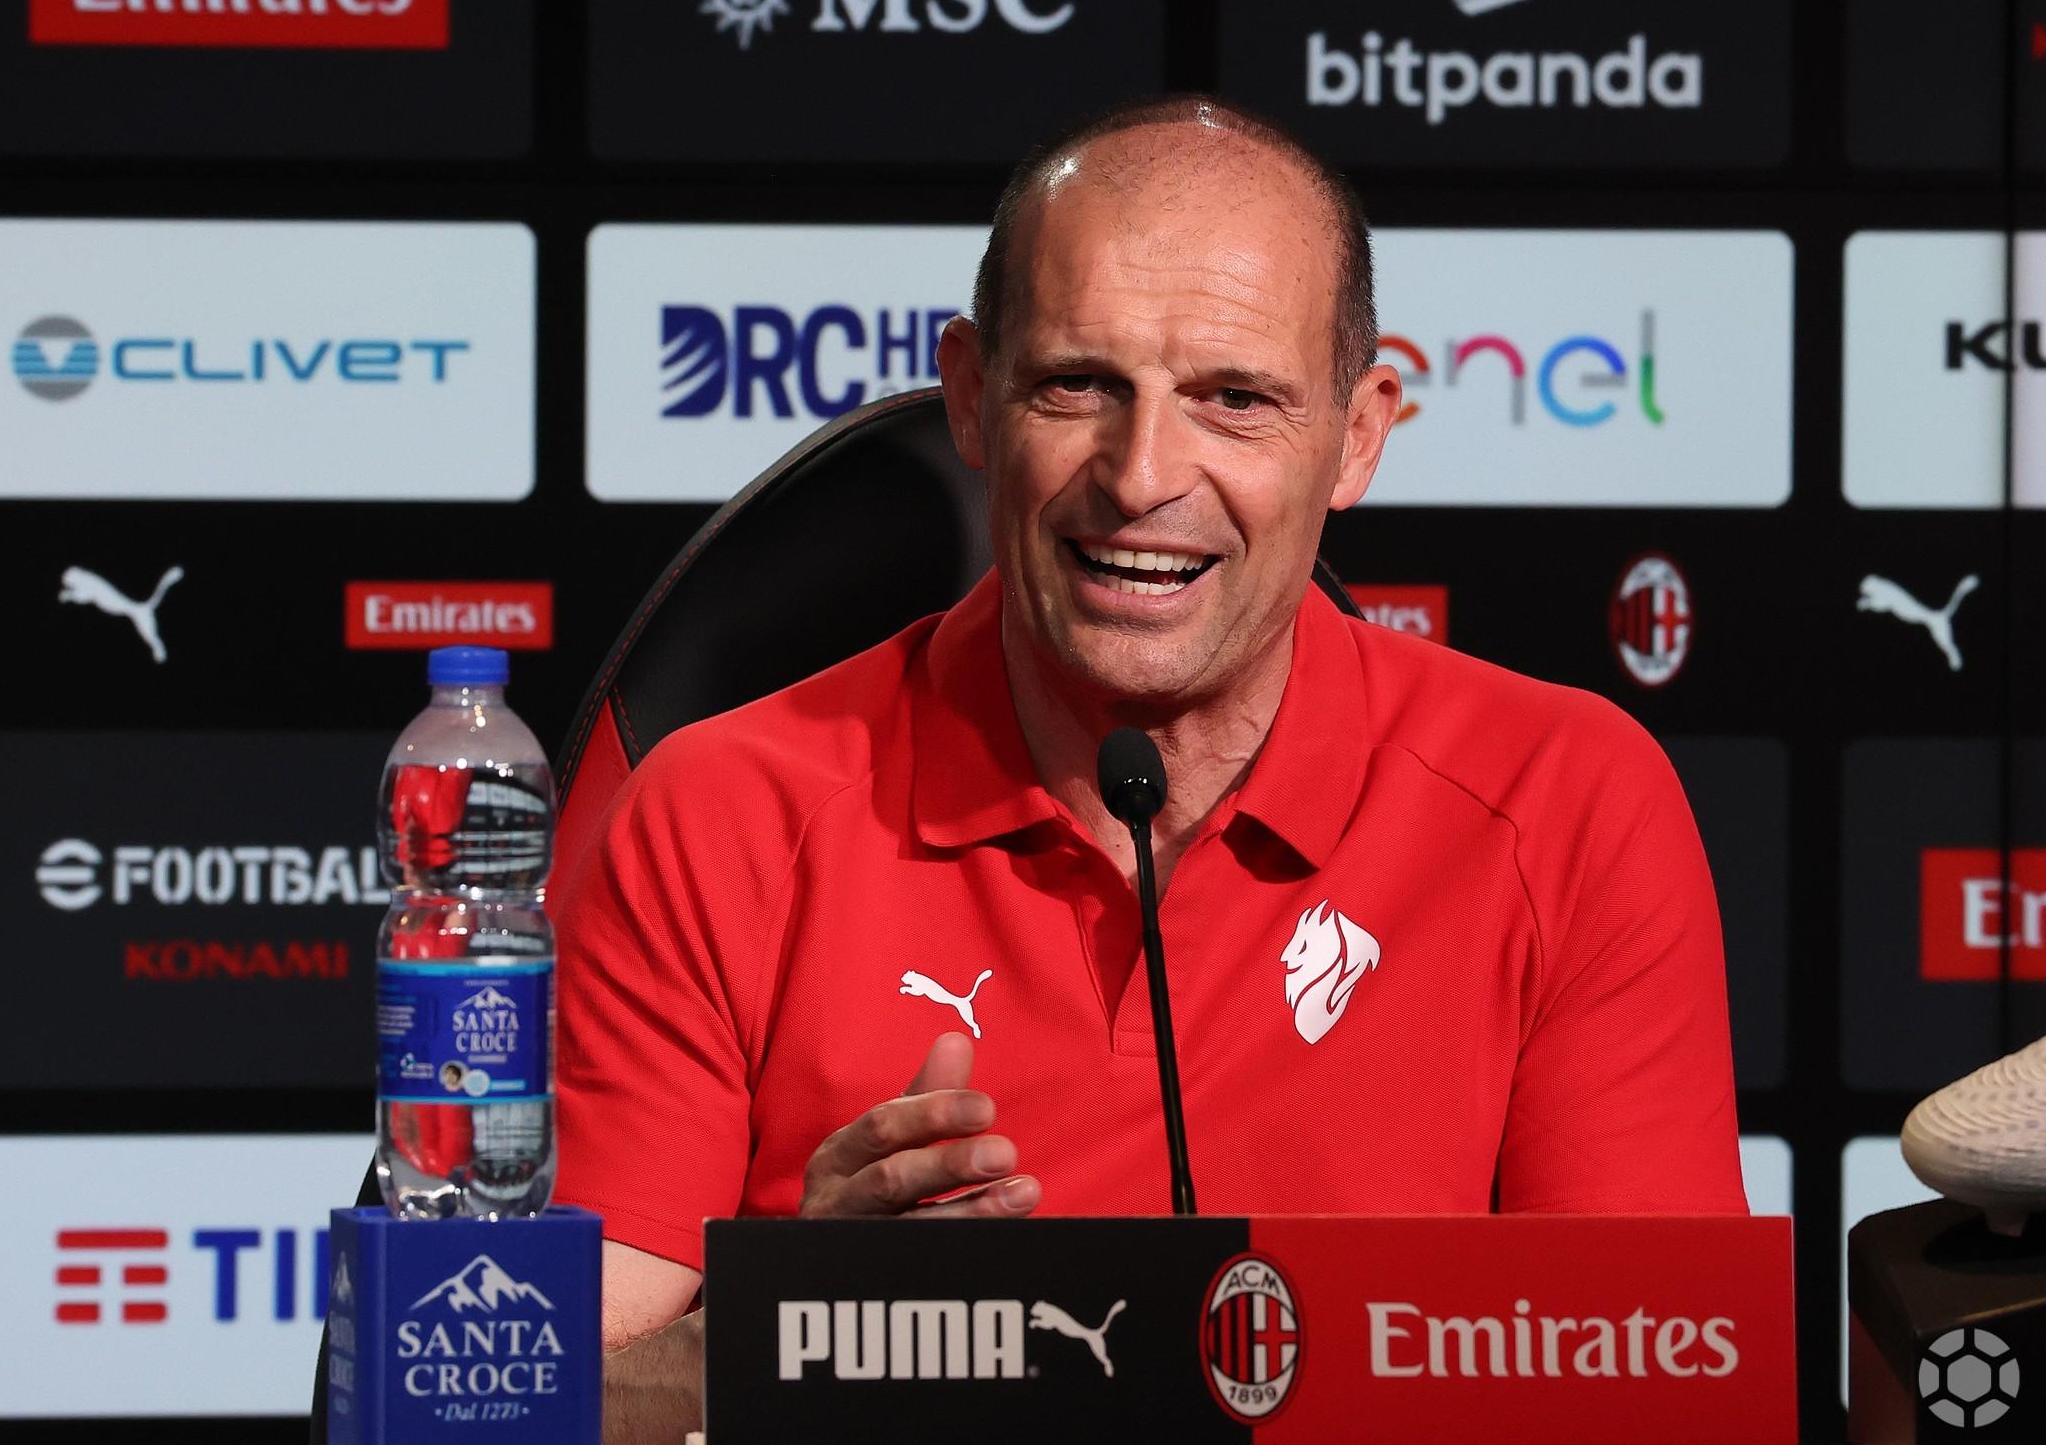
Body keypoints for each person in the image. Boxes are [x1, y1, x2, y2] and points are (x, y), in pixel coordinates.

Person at [556, 96, 1744, 1438]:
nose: (1141, 477)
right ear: (972, 397)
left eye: (1235, 400)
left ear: (1359, 435)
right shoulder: (716, 816)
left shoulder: (1566, 804)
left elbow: (1658, 1391)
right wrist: (789, 1329)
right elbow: (546, 1401)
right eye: (1079, 385)